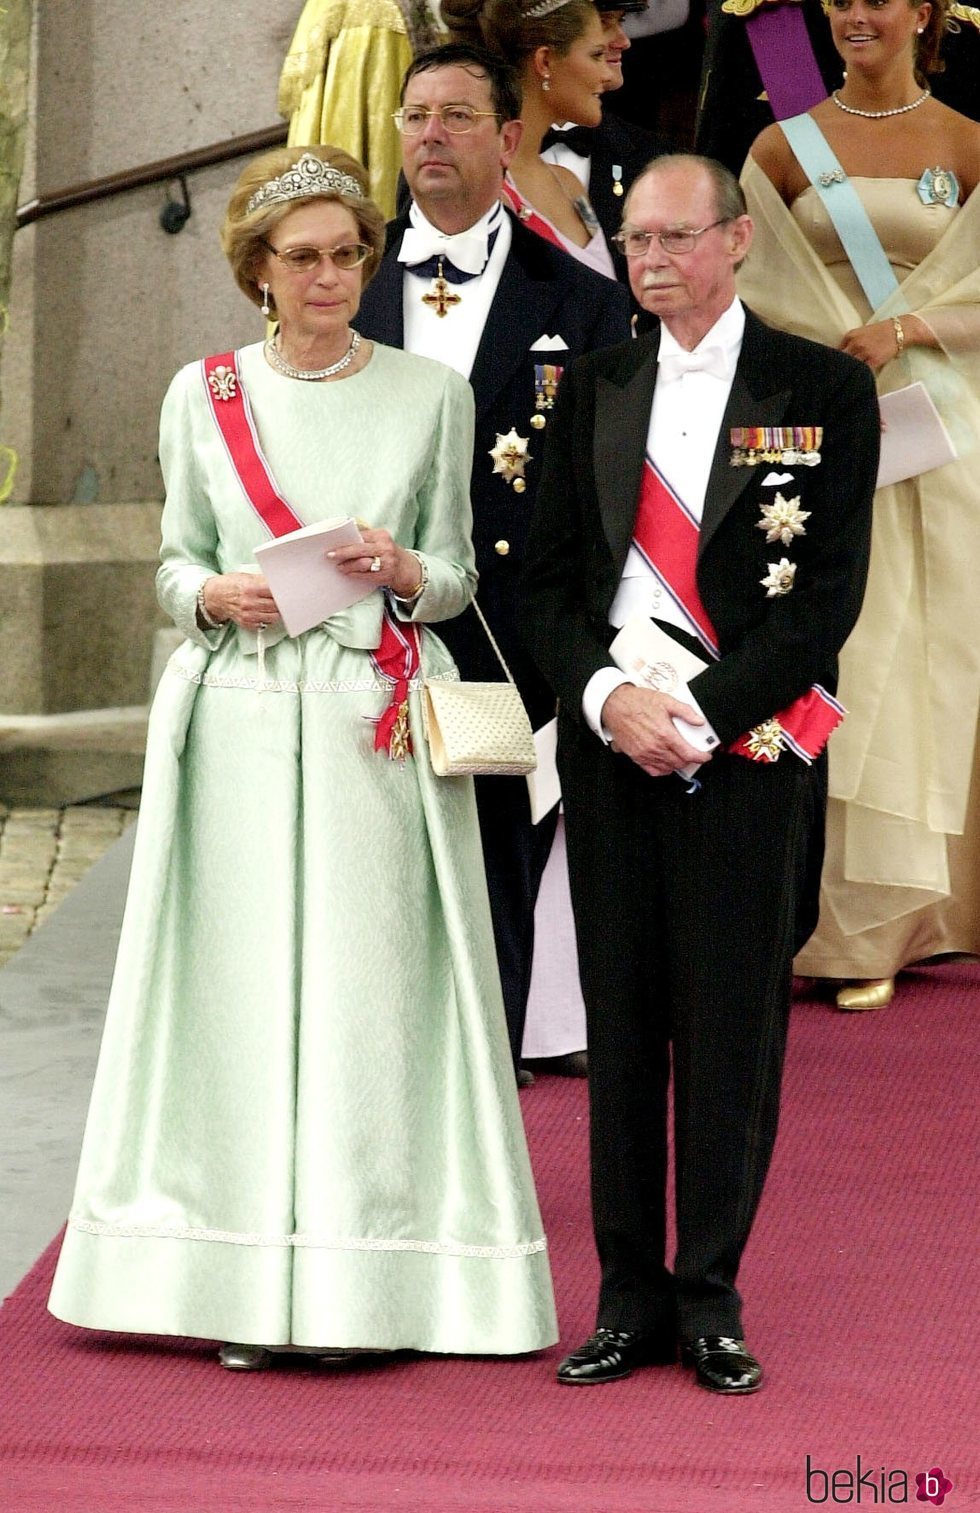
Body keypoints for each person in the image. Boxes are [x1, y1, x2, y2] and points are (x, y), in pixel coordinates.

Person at [48, 145, 558, 1367]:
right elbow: (173, 566)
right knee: (240, 993)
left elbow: (455, 581)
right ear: (257, 271)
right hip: (237, 722)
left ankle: (368, 1279)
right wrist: (217, 593)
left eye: (346, 255)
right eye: (302, 258)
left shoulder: (430, 394)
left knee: (368, 997)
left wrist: (398, 571)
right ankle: (237, 1275)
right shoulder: (199, 391)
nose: (328, 276)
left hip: (370, 730)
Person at [522, 153, 879, 1392]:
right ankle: (625, 1297)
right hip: (612, 749)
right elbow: (547, 582)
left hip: (746, 748)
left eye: (676, 236)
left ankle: (710, 1296)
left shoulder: (821, 388)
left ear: (735, 239)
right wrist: (611, 697)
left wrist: (702, 709)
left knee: (728, 1032)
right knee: (619, 1030)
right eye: (633, 240)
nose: (650, 259)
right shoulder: (594, 383)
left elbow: (824, 601)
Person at [357, 43, 632, 1084]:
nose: (431, 133)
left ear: (507, 138)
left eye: (458, 115)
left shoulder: (581, 302)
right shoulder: (342, 275)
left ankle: (482, 1096)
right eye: (416, 114)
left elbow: (606, 498)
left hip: (506, 636)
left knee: (494, 877)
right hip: (360, 628)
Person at [741, 0, 980, 1009]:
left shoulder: (965, 142)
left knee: (931, 649)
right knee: (842, 637)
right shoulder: (782, 145)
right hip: (817, 423)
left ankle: (927, 912)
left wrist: (908, 323)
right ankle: (835, 921)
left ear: (922, 12)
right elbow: (744, 278)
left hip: (942, 426)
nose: (855, 12)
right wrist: (831, 351)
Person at [440, 0, 622, 276]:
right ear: (545, 62)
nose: (607, 75)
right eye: (596, 55)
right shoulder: (479, 192)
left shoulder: (568, 184)